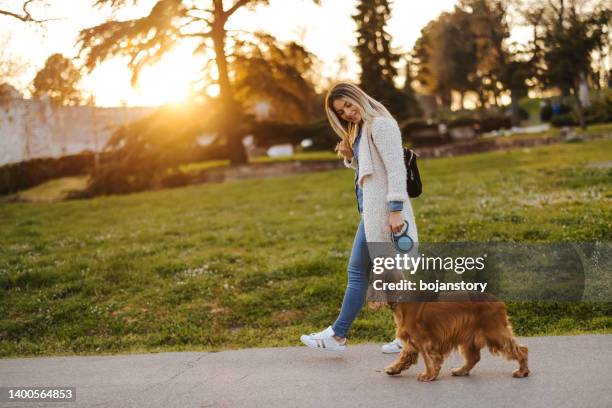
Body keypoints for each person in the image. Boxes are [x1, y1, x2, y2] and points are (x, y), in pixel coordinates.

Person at [300, 82, 418, 354]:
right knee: (391, 276)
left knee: (358, 271)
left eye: (349, 105)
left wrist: (396, 210)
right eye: (342, 112)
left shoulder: (381, 125)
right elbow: (372, 168)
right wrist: (350, 156)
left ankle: (338, 335)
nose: (348, 113)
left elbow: (395, 169)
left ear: (359, 98)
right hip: (373, 211)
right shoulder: (365, 128)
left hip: (384, 213)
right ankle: (412, 334)